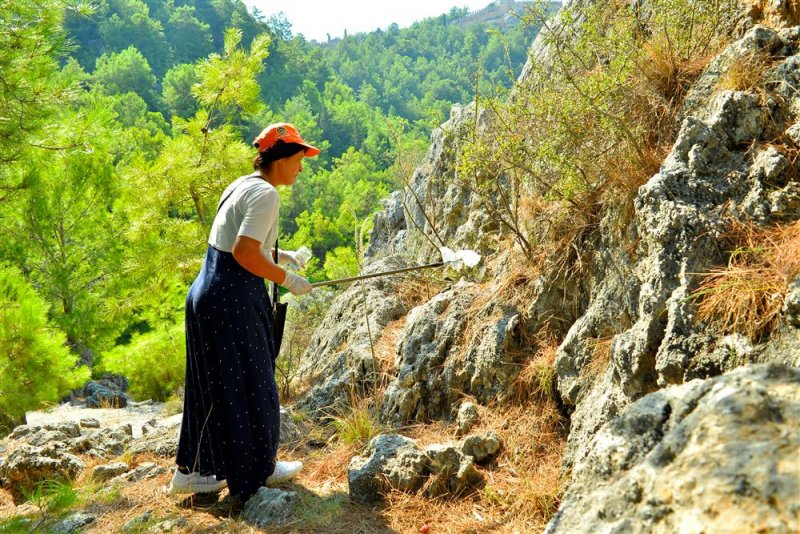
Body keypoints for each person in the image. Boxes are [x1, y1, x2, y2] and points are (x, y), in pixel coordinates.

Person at [167, 123, 318, 501]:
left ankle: (195, 470)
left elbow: (240, 242)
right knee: (254, 384)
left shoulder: (241, 185)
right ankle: (257, 470)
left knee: (214, 387)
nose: (301, 166)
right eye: (299, 158)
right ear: (281, 158)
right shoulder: (266, 196)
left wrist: (285, 256)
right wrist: (286, 278)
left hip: (208, 293)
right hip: (231, 298)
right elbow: (244, 253)